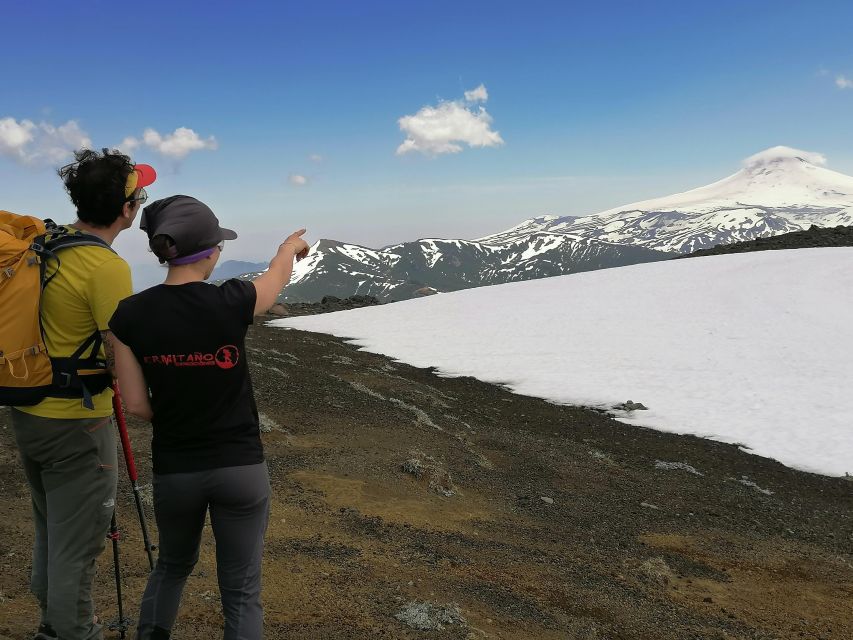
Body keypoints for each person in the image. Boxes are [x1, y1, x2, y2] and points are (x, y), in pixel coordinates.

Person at [107, 195, 310, 640]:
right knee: (240, 589)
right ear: (212, 251)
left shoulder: (128, 316)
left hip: (177, 469)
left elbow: (136, 405)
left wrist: (181, 413)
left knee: (172, 566)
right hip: (240, 466)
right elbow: (275, 280)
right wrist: (286, 250)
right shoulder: (232, 300)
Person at [11, 148, 157, 640]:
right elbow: (122, 353)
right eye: (138, 195)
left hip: (30, 413)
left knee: (52, 528)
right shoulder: (105, 267)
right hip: (80, 421)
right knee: (80, 542)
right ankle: (71, 632)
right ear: (126, 209)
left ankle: (52, 620)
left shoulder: (48, 243)